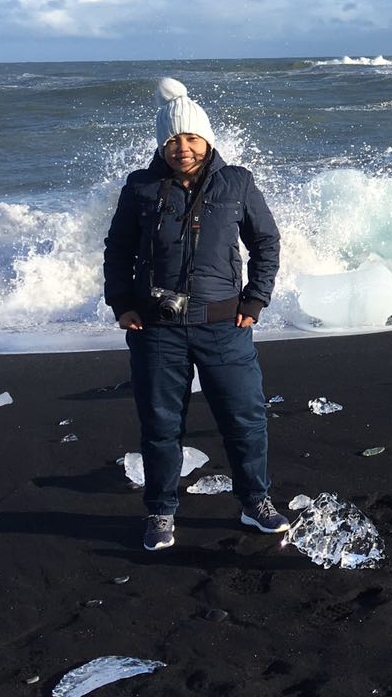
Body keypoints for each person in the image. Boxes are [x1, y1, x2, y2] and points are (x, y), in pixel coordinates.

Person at [103, 77, 287, 550]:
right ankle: (162, 511)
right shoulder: (141, 187)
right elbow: (118, 248)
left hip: (225, 326)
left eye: (189, 138)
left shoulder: (237, 182)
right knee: (161, 427)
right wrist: (121, 303)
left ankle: (255, 503)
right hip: (156, 330)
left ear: (206, 139)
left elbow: (265, 242)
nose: (181, 148)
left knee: (245, 420)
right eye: (171, 140)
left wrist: (255, 299)